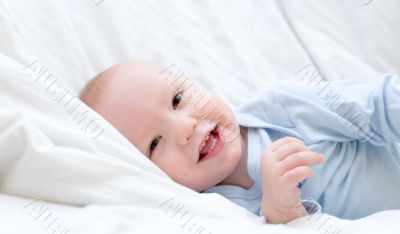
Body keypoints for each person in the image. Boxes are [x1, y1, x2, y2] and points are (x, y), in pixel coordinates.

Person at [79, 59, 400, 224]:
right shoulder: (218, 213)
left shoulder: (282, 110)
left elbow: (379, 104)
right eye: (154, 143)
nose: (186, 126)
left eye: (177, 99)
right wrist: (282, 214)